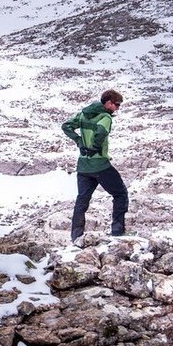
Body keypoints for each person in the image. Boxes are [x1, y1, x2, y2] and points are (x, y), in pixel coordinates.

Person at [61, 89, 128, 241]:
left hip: (83, 165)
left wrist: (79, 141)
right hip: (100, 165)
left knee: (82, 200)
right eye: (117, 105)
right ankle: (118, 232)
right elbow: (101, 132)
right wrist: (95, 147)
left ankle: (76, 236)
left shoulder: (84, 114)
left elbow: (66, 126)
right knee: (120, 194)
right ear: (109, 103)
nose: (118, 108)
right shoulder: (105, 117)